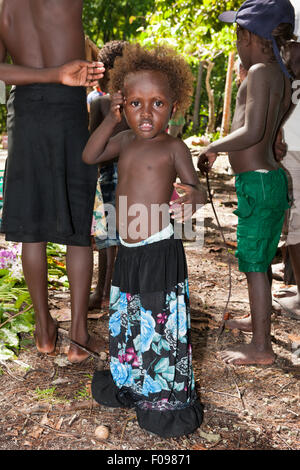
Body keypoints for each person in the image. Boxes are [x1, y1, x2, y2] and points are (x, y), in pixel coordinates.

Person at [83, 43, 207, 438]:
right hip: (128, 252)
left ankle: (163, 397)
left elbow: (194, 185)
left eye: (157, 103)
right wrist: (111, 118)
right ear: (124, 106)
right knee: (129, 320)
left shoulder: (173, 147)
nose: (146, 113)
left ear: (173, 106)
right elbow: (90, 155)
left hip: (158, 248)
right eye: (135, 104)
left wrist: (192, 200)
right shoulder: (124, 142)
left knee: (159, 323)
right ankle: (132, 381)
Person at [0, 0, 105, 363]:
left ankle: (44, 328)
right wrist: (62, 75)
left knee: (32, 227)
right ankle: (78, 333)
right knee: (77, 226)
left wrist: (52, 73)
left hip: (26, 111)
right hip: (67, 109)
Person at [198, 0, 296, 366]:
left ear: (251, 36)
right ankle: (258, 320)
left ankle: (261, 348)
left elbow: (252, 130)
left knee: (255, 265)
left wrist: (212, 147)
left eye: (239, 33)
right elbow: (272, 127)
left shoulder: (257, 72)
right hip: (268, 181)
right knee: (258, 260)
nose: (236, 40)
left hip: (257, 184)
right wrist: (273, 140)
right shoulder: (282, 75)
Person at [88, 40, 129, 311]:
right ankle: (108, 292)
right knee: (115, 237)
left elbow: (91, 140)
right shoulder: (133, 102)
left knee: (108, 239)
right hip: (121, 175)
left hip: (111, 175)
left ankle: (104, 291)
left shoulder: (103, 102)